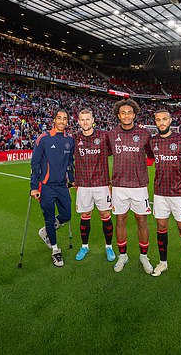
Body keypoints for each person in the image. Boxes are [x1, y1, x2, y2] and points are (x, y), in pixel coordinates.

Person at [150, 109, 181, 289]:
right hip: (159, 193)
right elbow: (148, 161)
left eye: (164, 119)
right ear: (155, 122)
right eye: (158, 120)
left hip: (180, 194)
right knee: (161, 227)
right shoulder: (153, 141)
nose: (162, 122)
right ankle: (163, 263)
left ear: (170, 120)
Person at [107, 99, 155, 274]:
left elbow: (151, 157)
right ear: (118, 115)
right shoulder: (111, 135)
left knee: (142, 220)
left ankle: (144, 256)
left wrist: (139, 168)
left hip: (139, 185)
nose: (126, 115)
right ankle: (123, 255)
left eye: (129, 112)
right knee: (120, 220)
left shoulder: (144, 134)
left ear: (134, 114)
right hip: (119, 185)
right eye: (123, 113)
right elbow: (102, 156)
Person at [30, 108, 75, 267]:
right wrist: (34, 187)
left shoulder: (70, 140)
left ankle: (46, 231)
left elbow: (69, 163)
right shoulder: (43, 139)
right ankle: (55, 250)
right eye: (59, 118)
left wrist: (72, 179)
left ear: (67, 121)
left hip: (62, 186)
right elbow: (35, 164)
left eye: (65, 119)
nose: (62, 121)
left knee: (67, 214)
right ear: (54, 120)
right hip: (46, 187)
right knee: (49, 218)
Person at [73, 108, 115, 262]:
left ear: (93, 120)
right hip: (83, 184)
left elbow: (116, 152)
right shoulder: (75, 138)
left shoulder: (104, 136)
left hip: (102, 184)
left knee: (105, 215)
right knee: (85, 216)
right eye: (82, 119)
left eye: (87, 119)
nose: (85, 122)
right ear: (78, 122)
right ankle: (84, 246)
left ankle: (108, 247)